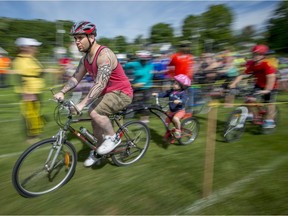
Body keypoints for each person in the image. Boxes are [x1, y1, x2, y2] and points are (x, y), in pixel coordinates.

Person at [53, 21, 133, 167]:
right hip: (107, 94)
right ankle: (98, 152)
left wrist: (81, 105)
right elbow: (75, 78)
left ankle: (112, 138)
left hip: (122, 93)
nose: (77, 42)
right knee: (94, 123)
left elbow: (100, 84)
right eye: (75, 38)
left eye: (80, 38)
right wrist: (62, 91)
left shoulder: (104, 55)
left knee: (94, 112)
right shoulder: (85, 60)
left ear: (91, 37)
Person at [229, 44, 278, 129]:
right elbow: (243, 75)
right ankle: (251, 114)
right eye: (254, 54)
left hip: (271, 85)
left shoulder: (267, 64)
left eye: (258, 54)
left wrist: (267, 90)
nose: (255, 56)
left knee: (269, 103)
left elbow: (271, 77)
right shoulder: (252, 64)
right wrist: (233, 84)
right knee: (249, 99)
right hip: (259, 84)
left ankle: (270, 121)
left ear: (263, 55)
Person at [12, 37, 45, 142]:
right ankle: (32, 136)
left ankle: (36, 132)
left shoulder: (31, 58)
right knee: (30, 114)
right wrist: (26, 92)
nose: (36, 49)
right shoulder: (20, 60)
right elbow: (23, 76)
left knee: (35, 113)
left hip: (35, 90)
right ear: (25, 48)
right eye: (33, 47)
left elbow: (39, 70)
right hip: (29, 91)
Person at [152, 74, 191, 138]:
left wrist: (180, 101)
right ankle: (169, 132)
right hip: (172, 111)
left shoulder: (182, 93)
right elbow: (164, 94)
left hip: (180, 111)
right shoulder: (171, 91)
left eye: (176, 83)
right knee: (166, 121)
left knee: (175, 118)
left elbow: (185, 99)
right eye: (174, 82)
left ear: (181, 86)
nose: (174, 84)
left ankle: (178, 131)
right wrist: (157, 94)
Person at [124, 50, 154, 124]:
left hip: (146, 87)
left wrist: (142, 83)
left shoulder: (149, 66)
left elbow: (147, 77)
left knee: (145, 103)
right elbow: (126, 66)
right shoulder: (136, 64)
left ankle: (144, 121)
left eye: (145, 60)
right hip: (135, 86)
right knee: (130, 100)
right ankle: (129, 114)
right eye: (142, 60)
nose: (144, 62)